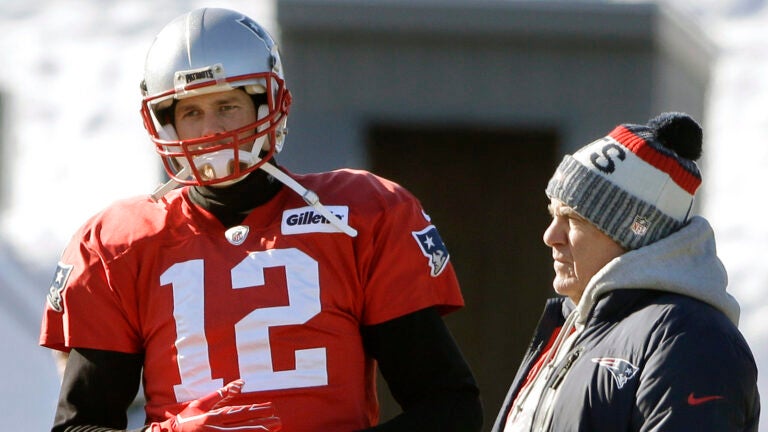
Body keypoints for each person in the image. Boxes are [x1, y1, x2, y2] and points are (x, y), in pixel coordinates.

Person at [39, 8, 482, 432]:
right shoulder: (118, 244)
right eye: (191, 111)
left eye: (227, 106)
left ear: (267, 105)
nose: (210, 129)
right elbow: (79, 425)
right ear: (166, 122)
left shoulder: (361, 216)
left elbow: (449, 407)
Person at [492, 112, 760, 431]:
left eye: (574, 219)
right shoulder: (574, 328)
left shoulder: (693, 339)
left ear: (635, 233)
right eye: (553, 214)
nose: (551, 236)